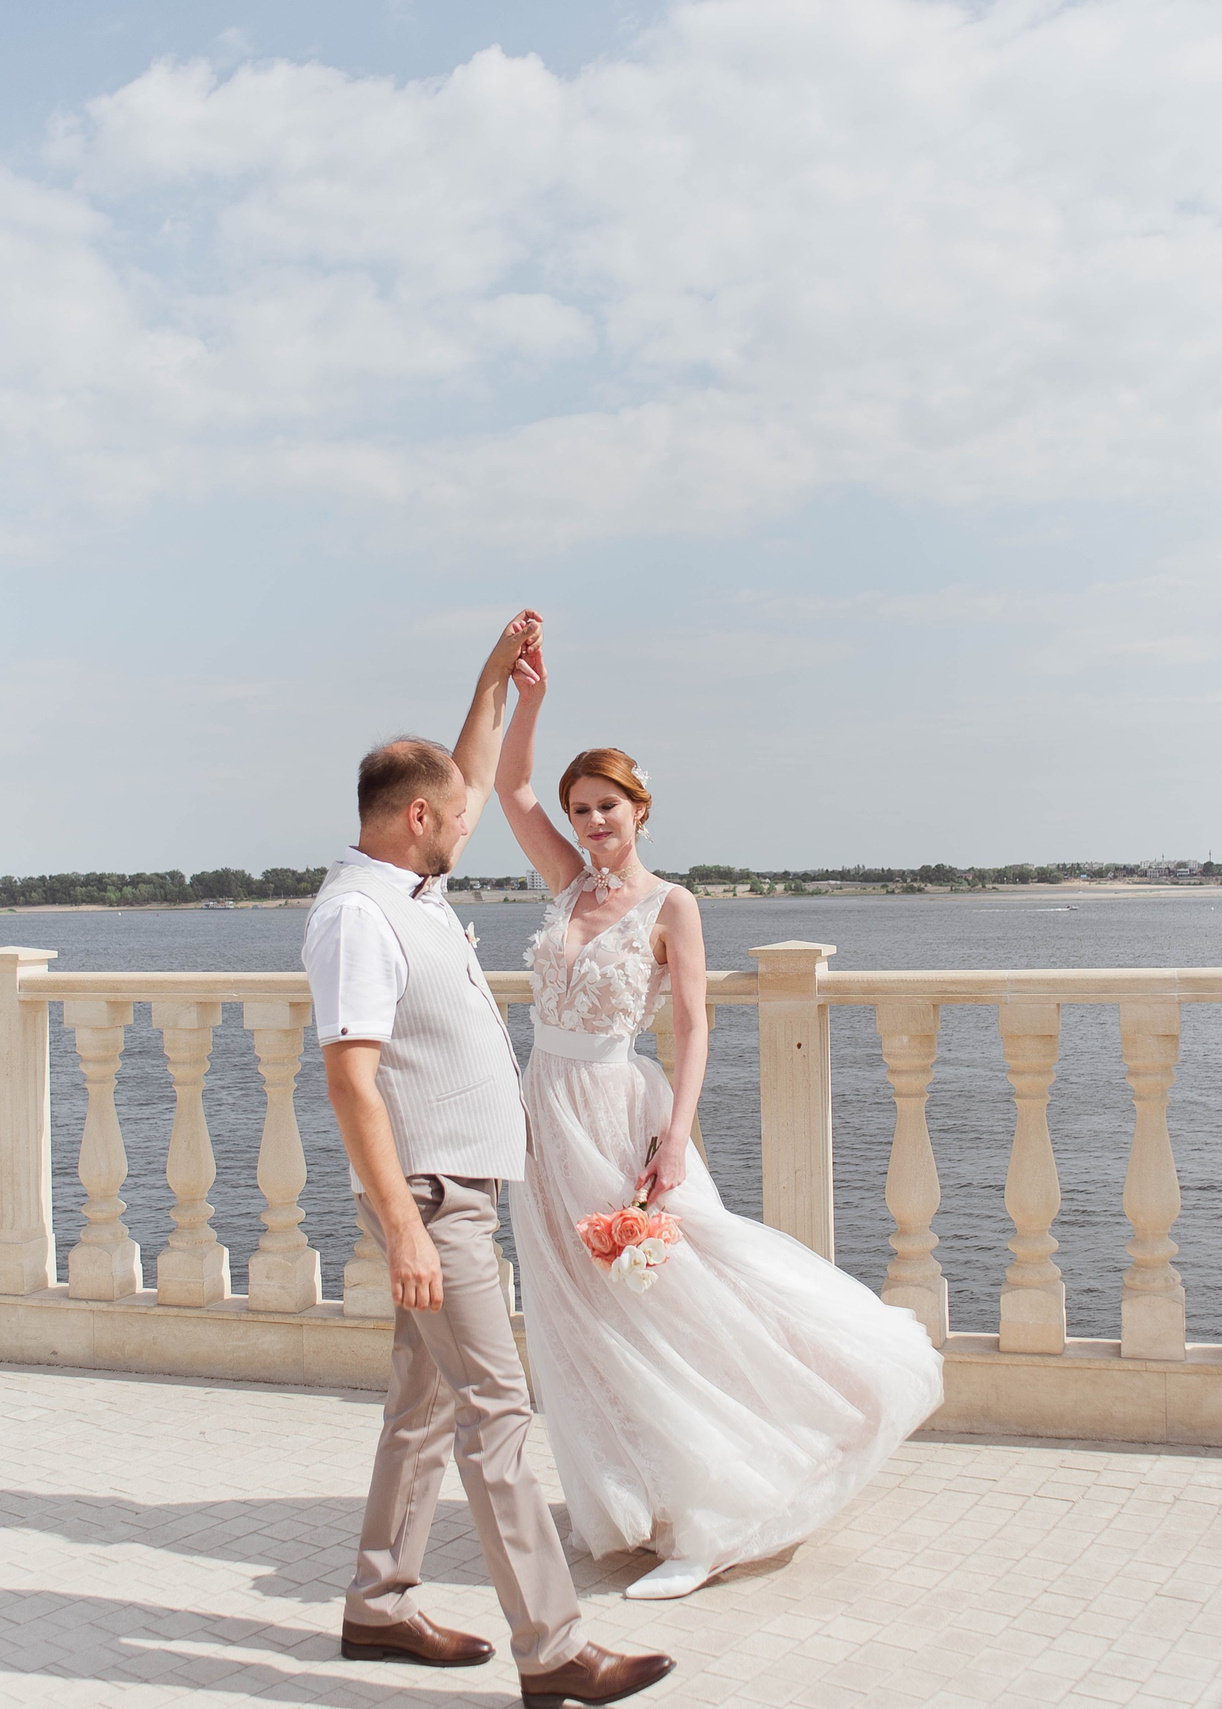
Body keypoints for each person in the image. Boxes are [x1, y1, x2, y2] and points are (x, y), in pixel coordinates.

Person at [493, 621, 946, 1602]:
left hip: (621, 1117)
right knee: (577, 1316)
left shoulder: (671, 905)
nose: (589, 823)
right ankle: (639, 1499)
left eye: (605, 806)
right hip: (545, 1122)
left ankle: (717, 1509)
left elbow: (693, 1026)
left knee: (672, 1301)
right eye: (579, 809)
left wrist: (671, 1135)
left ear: (640, 808)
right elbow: (507, 788)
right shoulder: (564, 885)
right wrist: (523, 697)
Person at [308, 611, 673, 1709]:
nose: (472, 816)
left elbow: (464, 770)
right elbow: (349, 1080)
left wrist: (492, 684)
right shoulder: (356, 919)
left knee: (422, 1404)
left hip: (459, 1182)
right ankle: (554, 1646)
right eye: (458, 812)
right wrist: (406, 1226)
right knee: (497, 1412)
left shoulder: (411, 885)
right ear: (418, 820)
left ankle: (377, 1607)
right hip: (430, 1194)